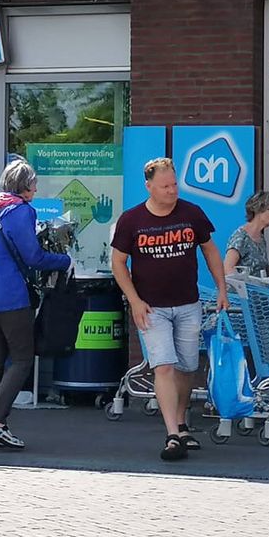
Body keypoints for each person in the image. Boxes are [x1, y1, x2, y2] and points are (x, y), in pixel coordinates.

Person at [110, 157, 227, 461]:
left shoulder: (192, 213)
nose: (172, 191)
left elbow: (210, 250)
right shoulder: (132, 220)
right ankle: (172, 434)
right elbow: (118, 263)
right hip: (151, 308)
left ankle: (182, 421)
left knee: (187, 367)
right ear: (149, 187)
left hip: (188, 304)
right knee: (163, 365)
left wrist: (222, 289)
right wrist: (135, 300)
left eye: (174, 184)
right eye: (165, 186)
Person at [0, 159, 71, 449]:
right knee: (22, 358)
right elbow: (34, 257)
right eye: (34, 183)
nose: (36, 188)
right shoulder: (23, 211)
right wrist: (65, 260)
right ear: (25, 186)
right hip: (11, 297)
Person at [224, 191, 269, 277]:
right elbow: (227, 269)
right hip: (240, 290)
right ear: (259, 210)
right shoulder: (241, 237)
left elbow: (263, 271)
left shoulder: (261, 238)